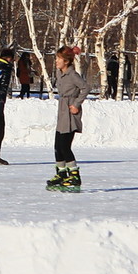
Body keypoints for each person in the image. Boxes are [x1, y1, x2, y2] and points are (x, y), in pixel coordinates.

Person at [47, 45, 88, 193]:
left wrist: (76, 104)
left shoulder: (72, 75)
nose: (56, 61)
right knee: (57, 146)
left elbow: (85, 88)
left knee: (65, 146)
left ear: (66, 61)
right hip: (62, 111)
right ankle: (61, 174)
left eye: (59, 58)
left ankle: (75, 176)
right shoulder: (60, 73)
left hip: (70, 113)